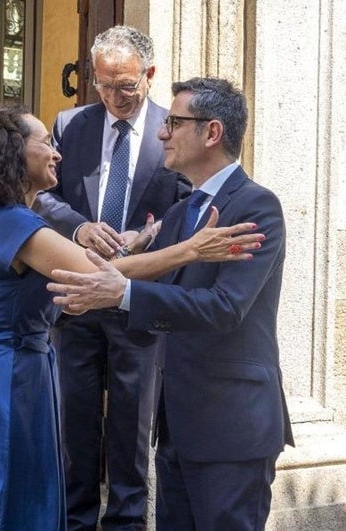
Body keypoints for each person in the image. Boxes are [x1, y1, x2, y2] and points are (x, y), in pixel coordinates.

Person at [0, 105, 262, 531]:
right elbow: (102, 274)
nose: (56, 152)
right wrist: (192, 249)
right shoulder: (15, 225)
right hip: (1, 382)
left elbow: (65, 286)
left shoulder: (10, 221)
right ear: (11, 155)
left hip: (15, 373)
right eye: (44, 142)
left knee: (7, 496)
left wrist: (137, 245)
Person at [47, 78, 295, 531]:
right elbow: (153, 271)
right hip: (178, 426)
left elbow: (224, 308)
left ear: (212, 132)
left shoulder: (258, 206)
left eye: (174, 123)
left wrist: (121, 293)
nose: (161, 132)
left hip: (232, 428)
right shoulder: (183, 213)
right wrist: (109, 273)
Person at [34, 25, 189, 531]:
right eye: (103, 86)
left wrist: (149, 236)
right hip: (76, 302)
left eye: (125, 86)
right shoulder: (71, 124)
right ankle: (75, 522)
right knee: (75, 428)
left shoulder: (177, 128)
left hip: (138, 302)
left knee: (130, 431)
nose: (114, 98)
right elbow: (41, 196)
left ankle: (125, 523)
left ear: (150, 74)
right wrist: (78, 228)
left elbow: (192, 207)